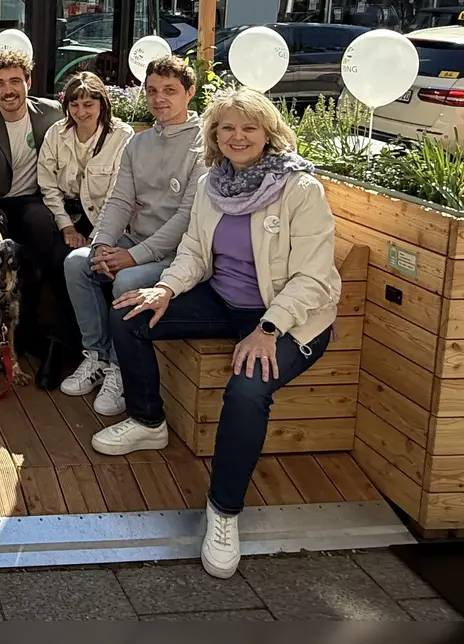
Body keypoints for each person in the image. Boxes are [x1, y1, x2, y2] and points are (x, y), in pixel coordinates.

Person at [105, 88, 342, 580]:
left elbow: (315, 277)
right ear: (213, 135)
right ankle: (149, 421)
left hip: (290, 316)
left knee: (247, 389)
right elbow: (193, 250)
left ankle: (223, 512)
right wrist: (164, 288)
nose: (237, 137)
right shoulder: (215, 184)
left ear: (268, 133)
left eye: (248, 128)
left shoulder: (298, 188)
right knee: (129, 312)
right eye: (226, 128)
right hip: (223, 299)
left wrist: (268, 328)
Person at [61, 55, 205, 414]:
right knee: (78, 263)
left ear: (190, 93)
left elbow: (187, 218)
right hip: (134, 240)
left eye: (170, 91)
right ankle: (96, 355)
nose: (159, 99)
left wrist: (133, 256)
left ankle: (120, 367)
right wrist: (102, 245)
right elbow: (120, 200)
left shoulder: (204, 147)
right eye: (152, 90)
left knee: (127, 281)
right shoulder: (138, 143)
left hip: (178, 254)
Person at [0, 47, 73, 386]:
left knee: (42, 229)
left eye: (14, 81)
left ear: (28, 81)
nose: (8, 90)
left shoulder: (51, 113)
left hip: (31, 200)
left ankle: (32, 328)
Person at [37, 70, 133, 251]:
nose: (81, 112)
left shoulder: (122, 136)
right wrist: (67, 227)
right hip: (65, 215)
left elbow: (117, 195)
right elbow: (47, 185)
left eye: (88, 104)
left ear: (102, 104)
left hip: (104, 219)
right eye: (74, 105)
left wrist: (97, 237)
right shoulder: (55, 134)